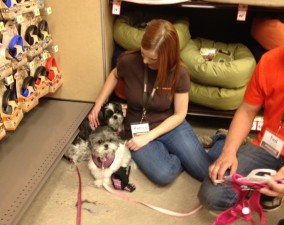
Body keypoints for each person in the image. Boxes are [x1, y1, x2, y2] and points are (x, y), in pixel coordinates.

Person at [198, 0, 284, 223]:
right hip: (269, 147)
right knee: (211, 194)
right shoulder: (269, 61)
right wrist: (229, 151)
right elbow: (246, 111)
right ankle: (263, 186)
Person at [88, 19, 222, 185]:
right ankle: (182, 154)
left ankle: (220, 139)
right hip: (137, 129)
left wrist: (150, 137)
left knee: (205, 172)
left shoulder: (179, 72)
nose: (144, 61)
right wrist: (98, 104)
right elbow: (115, 75)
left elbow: (180, 114)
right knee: (163, 175)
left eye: (152, 58)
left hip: (169, 125)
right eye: (143, 54)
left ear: (166, 57)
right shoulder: (128, 60)